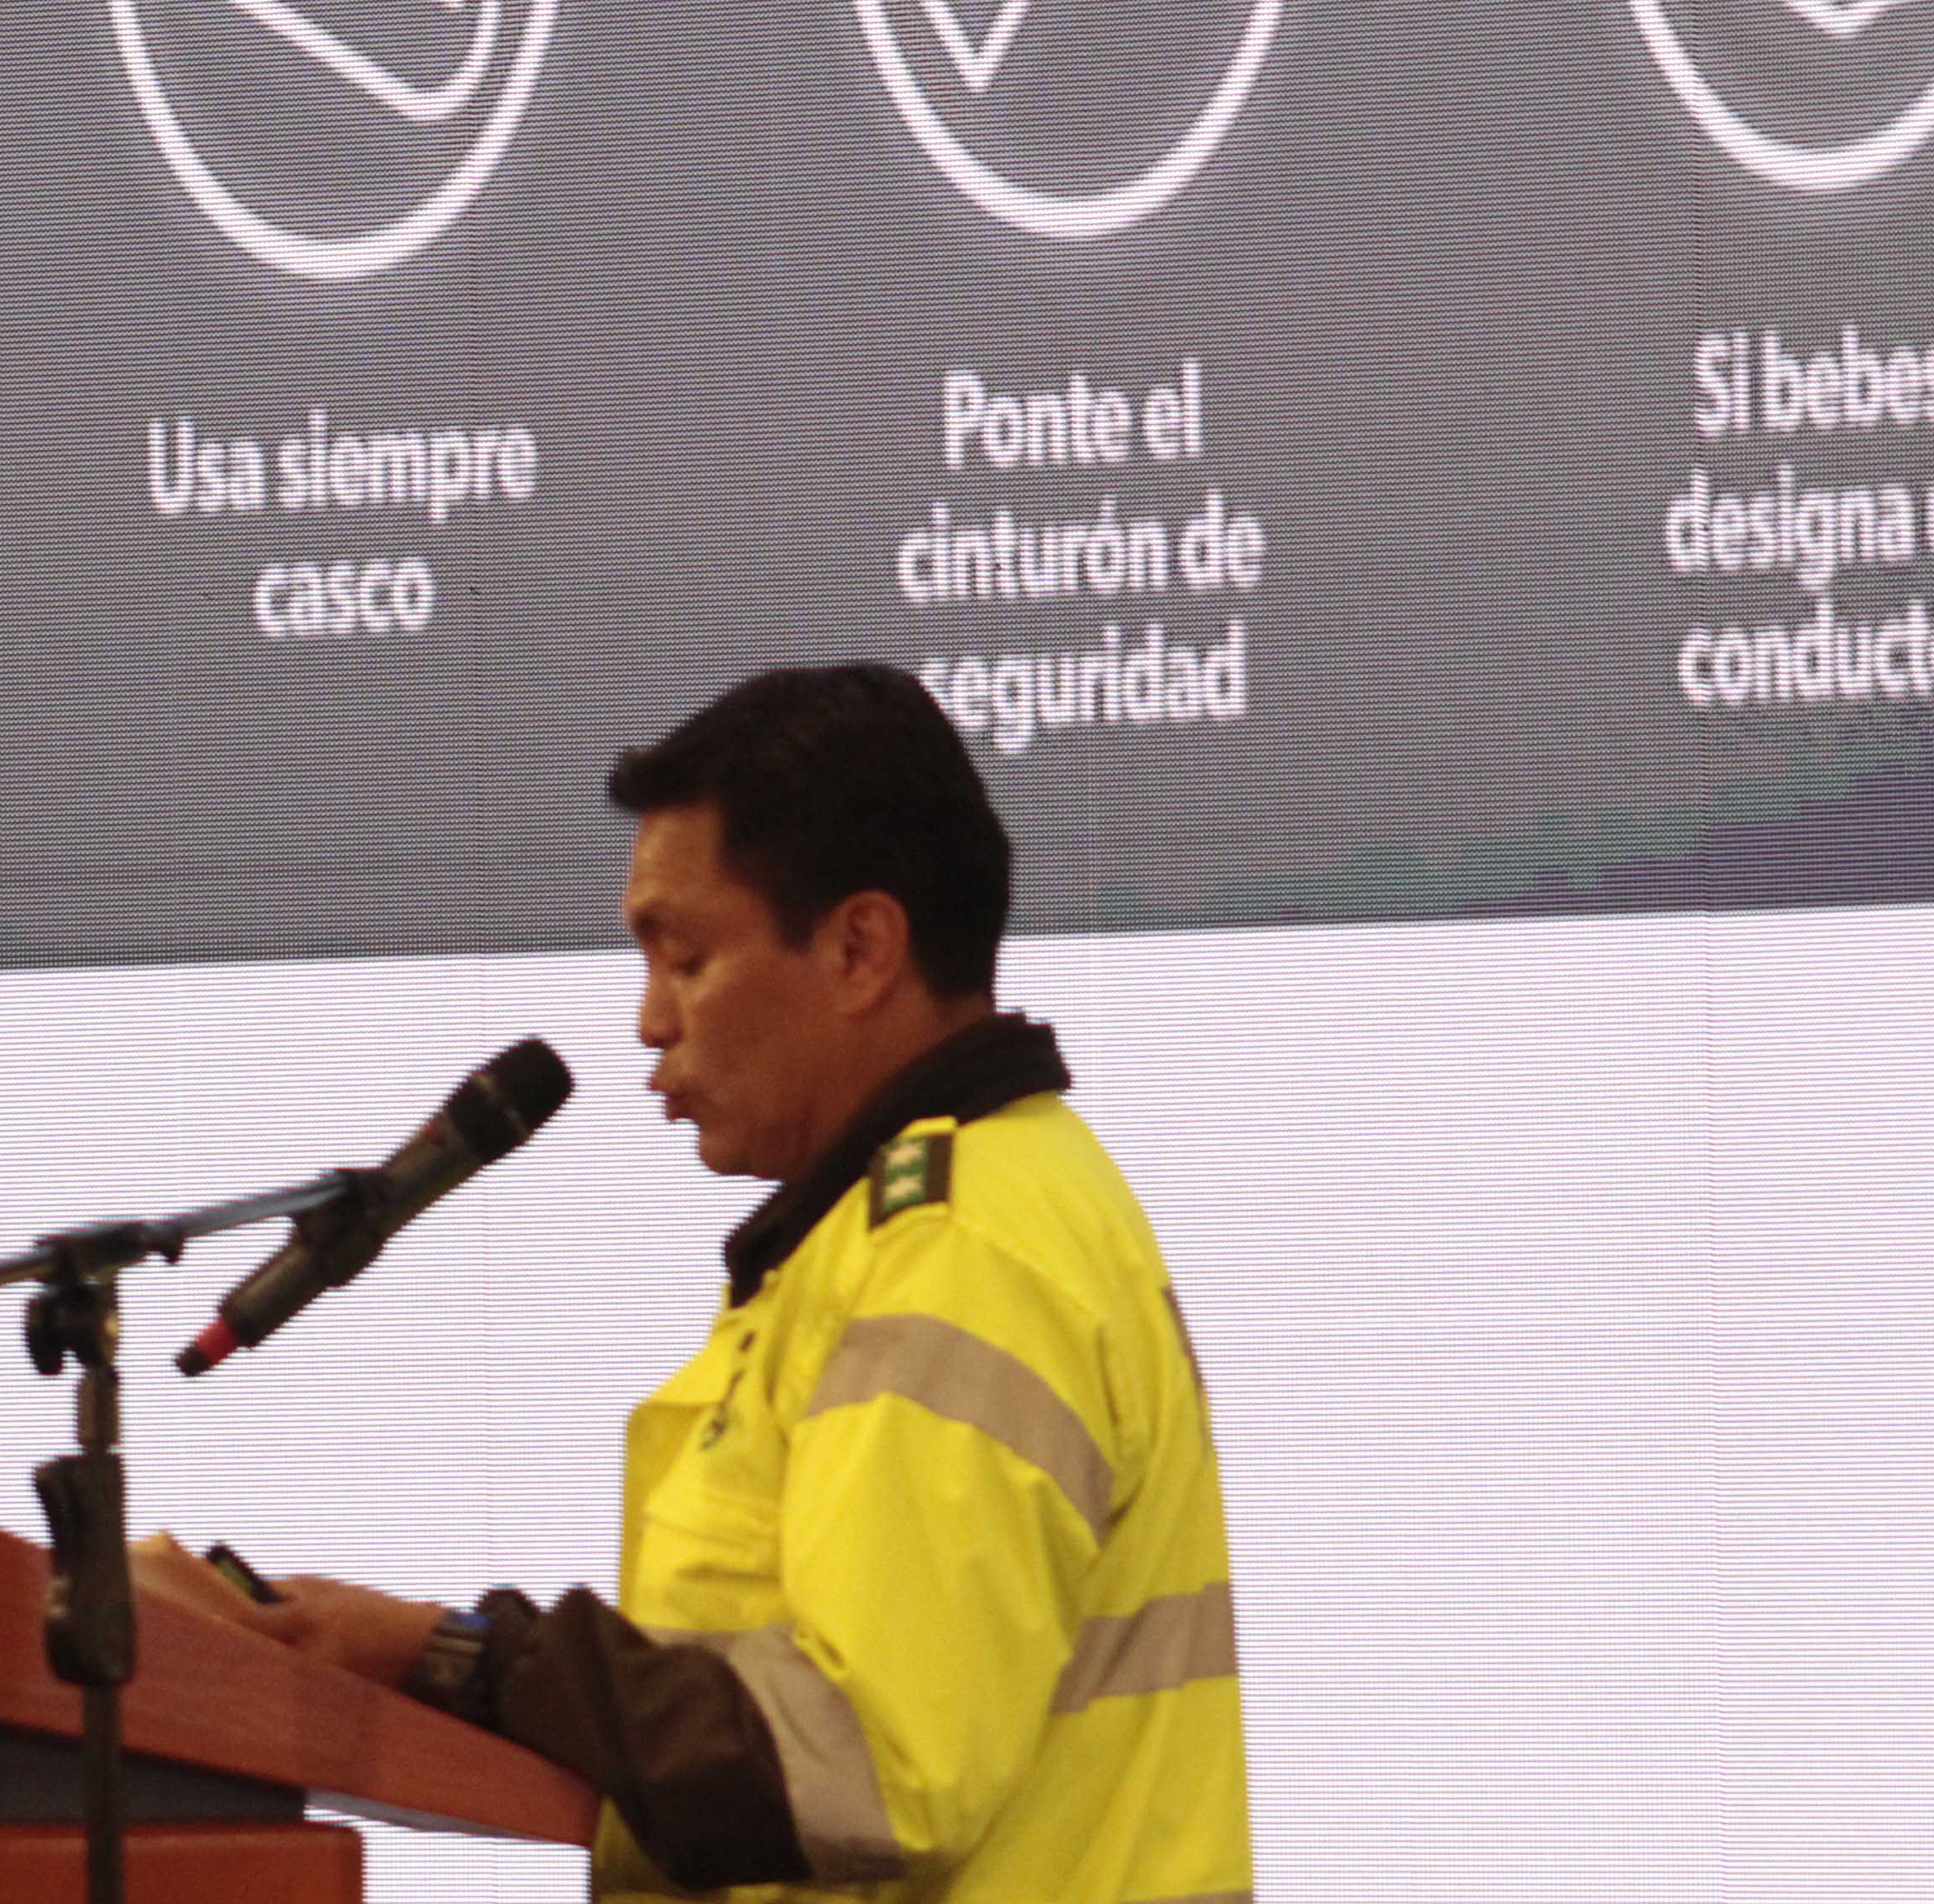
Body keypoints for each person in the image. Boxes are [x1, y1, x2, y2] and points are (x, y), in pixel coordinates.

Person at [236, 661, 1252, 1901]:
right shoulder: (894, 1231)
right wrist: (444, 1658)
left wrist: (456, 1659)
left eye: (687, 959)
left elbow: (861, 1762)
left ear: (861, 948)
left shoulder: (961, 1248)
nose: (649, 1022)